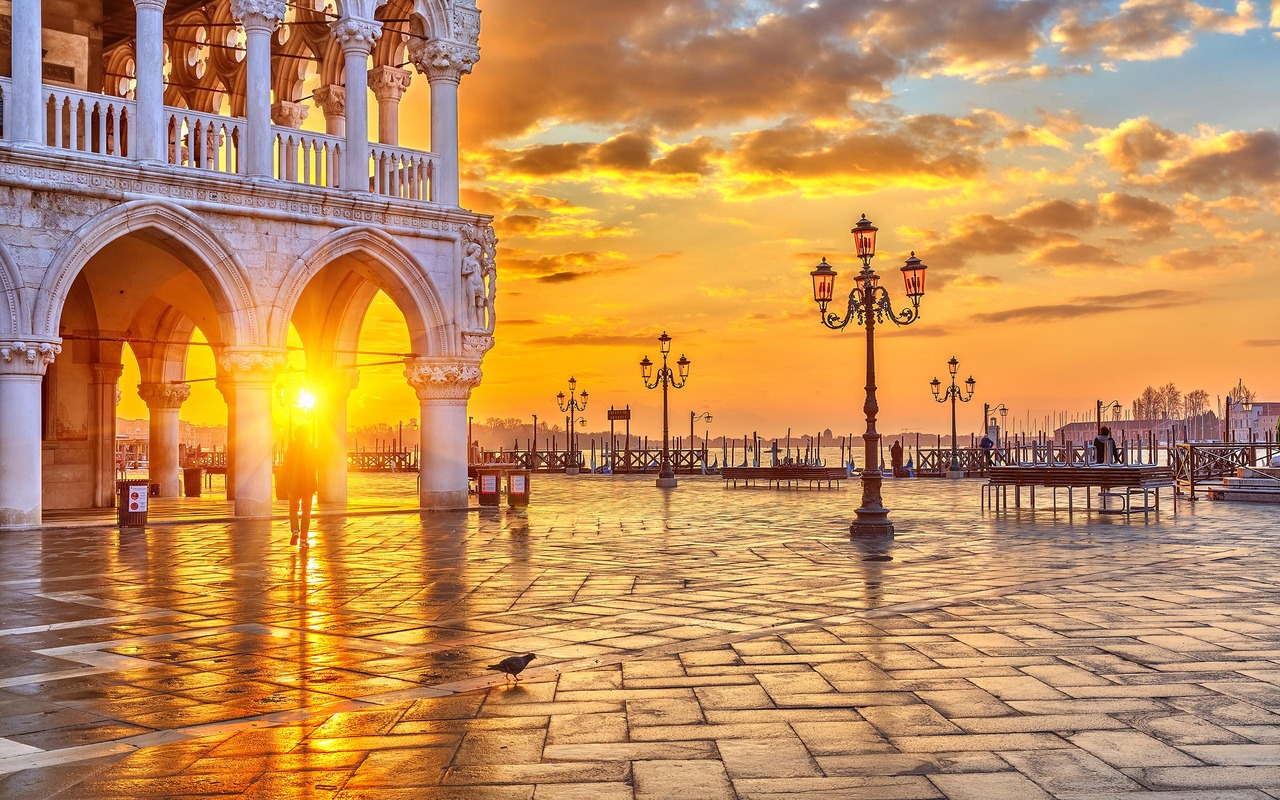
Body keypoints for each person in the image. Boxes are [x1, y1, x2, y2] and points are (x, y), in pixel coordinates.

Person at [283, 425, 318, 545]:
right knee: (306, 511)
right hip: (309, 484)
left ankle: (295, 531)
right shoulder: (311, 448)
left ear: (296, 434)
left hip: (294, 483)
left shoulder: (291, 448)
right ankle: (303, 538)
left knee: (293, 510)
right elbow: (319, 463)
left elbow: (286, 466)